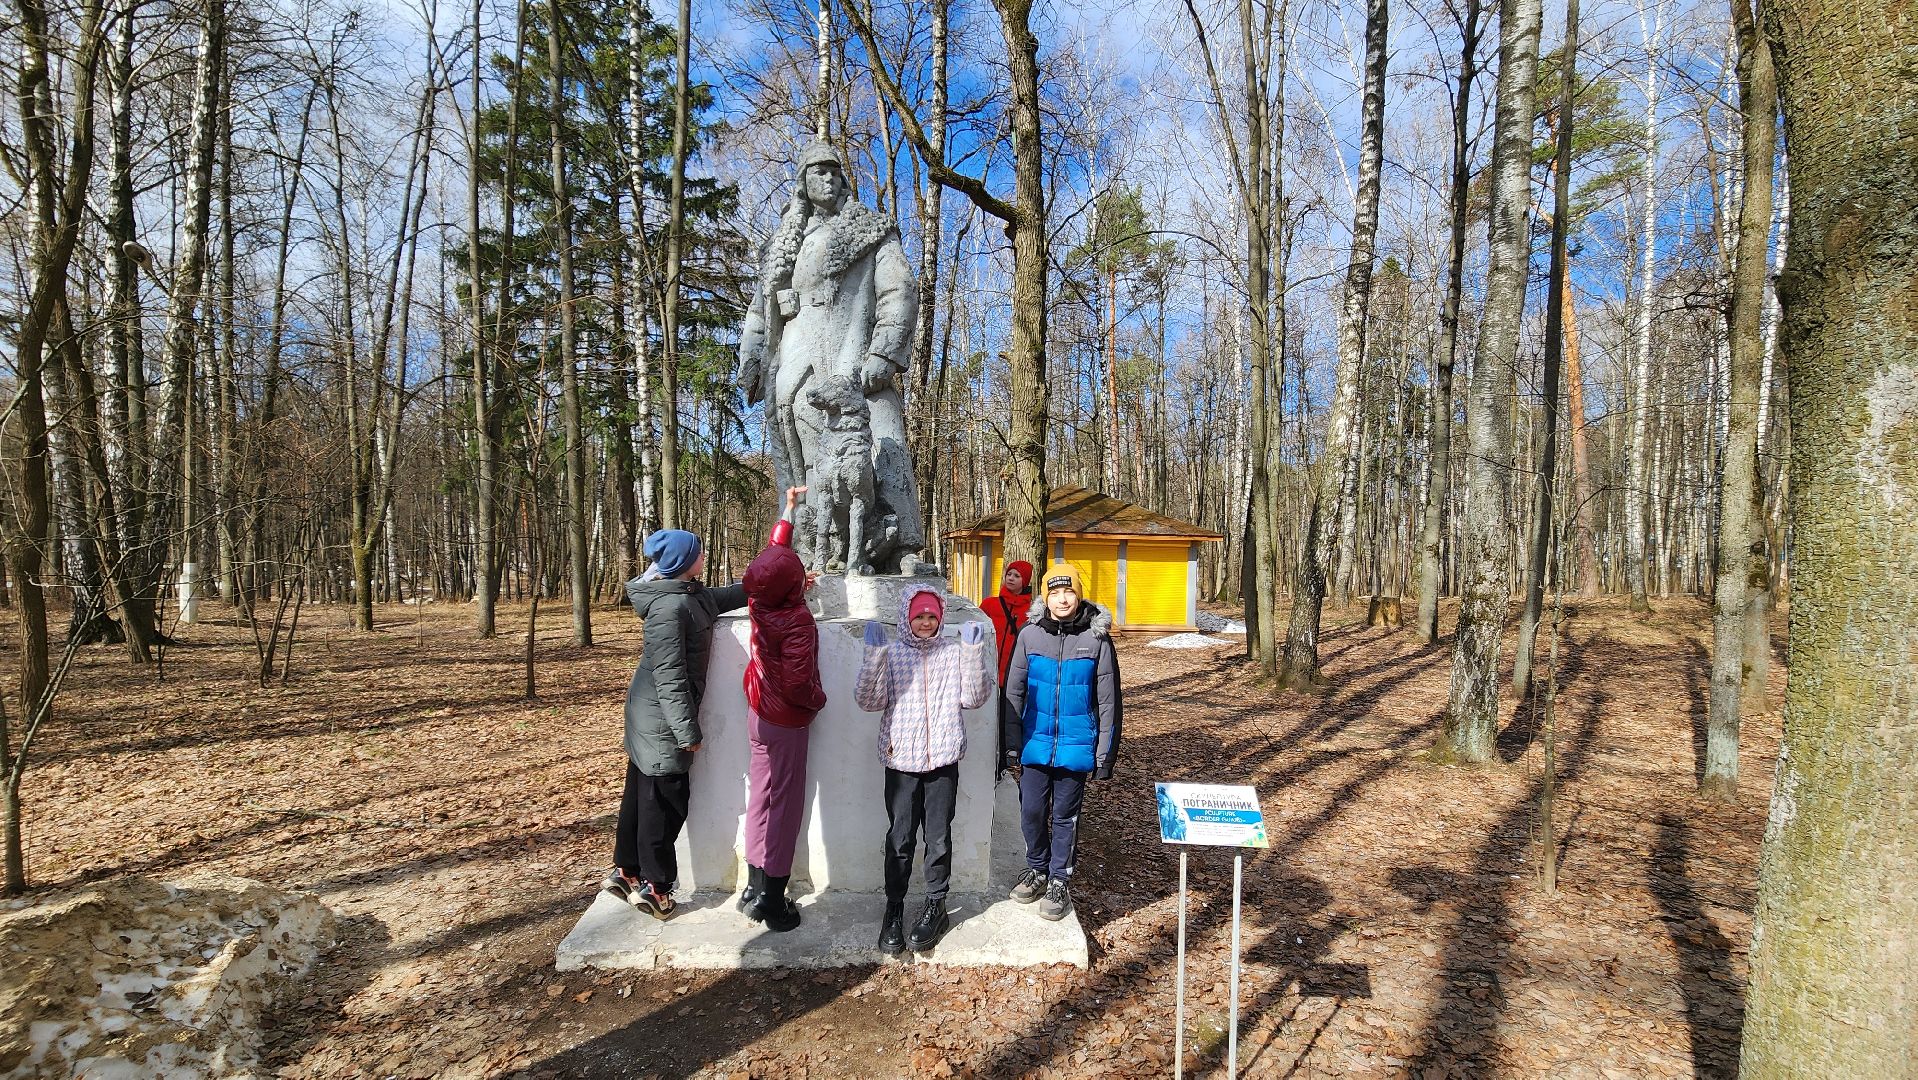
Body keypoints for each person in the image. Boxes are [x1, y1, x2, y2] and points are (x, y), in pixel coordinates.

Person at [605, 528, 746, 918]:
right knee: (664, 802)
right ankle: (656, 885)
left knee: (639, 793)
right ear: (686, 561)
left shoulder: (684, 593)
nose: (703, 554)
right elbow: (669, 677)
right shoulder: (668, 610)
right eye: (699, 551)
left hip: (653, 716)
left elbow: (719, 597)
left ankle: (626, 870)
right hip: (661, 720)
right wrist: (687, 732)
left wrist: (769, 583)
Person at [854, 586, 993, 954]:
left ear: (941, 618)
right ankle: (894, 907)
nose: (926, 623)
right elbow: (869, 702)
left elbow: (974, 698)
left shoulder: (951, 652)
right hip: (900, 761)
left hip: (943, 760)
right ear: (907, 618)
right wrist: (873, 657)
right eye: (919, 616)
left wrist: (973, 654)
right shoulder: (894, 653)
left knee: (938, 837)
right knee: (900, 839)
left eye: (932, 616)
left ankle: (936, 904)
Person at [1002, 563, 1122, 923]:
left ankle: (1058, 879)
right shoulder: (1030, 635)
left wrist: (1104, 755)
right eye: (1055, 593)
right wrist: (1010, 744)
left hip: (1076, 746)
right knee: (1032, 812)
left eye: (1068, 591)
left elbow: (1108, 701)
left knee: (1065, 817)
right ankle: (1036, 868)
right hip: (1035, 743)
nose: (1062, 599)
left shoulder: (1097, 639)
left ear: (1079, 594)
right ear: (1045, 597)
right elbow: (1014, 692)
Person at [736, 487, 827, 932]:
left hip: (758, 711)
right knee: (786, 807)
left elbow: (774, 552)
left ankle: (752, 887)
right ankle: (773, 899)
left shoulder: (759, 600)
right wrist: (819, 700)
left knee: (761, 796)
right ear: (793, 585)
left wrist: (788, 510)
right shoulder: (796, 622)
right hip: (786, 721)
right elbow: (797, 685)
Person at [978, 561, 1035, 775]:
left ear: (1026, 581)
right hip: (989, 674)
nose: (1011, 578)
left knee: (1009, 721)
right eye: (1009, 574)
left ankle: (1006, 761)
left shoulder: (1031, 611)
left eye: (1017, 576)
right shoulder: (989, 605)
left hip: (1015, 676)